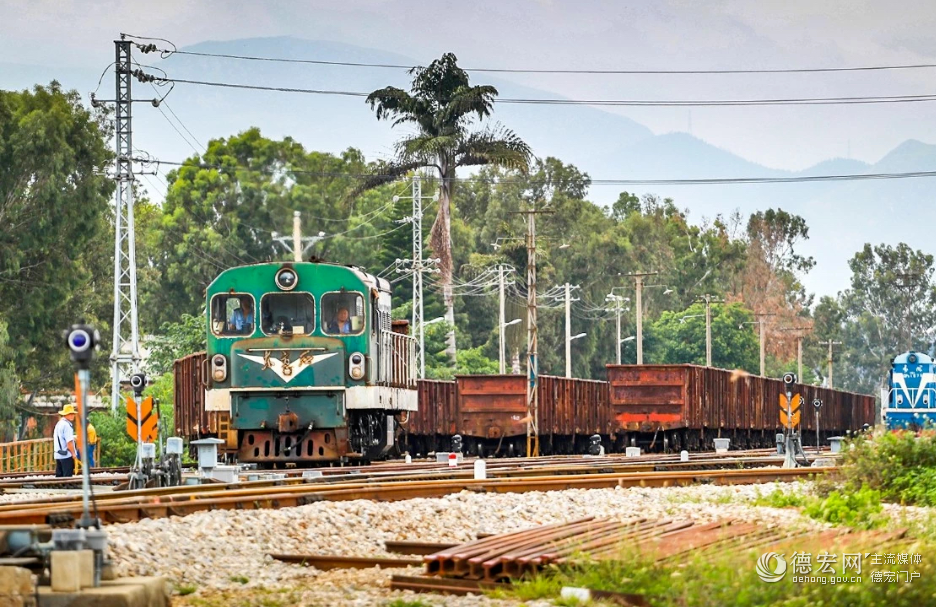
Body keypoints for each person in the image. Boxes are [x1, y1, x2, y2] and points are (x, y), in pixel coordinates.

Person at [53, 404, 79, 477]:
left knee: (59, 477)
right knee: (67, 477)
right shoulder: (67, 426)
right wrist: (73, 454)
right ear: (65, 415)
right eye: (70, 414)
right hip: (66, 455)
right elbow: (69, 443)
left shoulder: (59, 423)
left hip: (58, 454)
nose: (72, 416)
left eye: (72, 414)